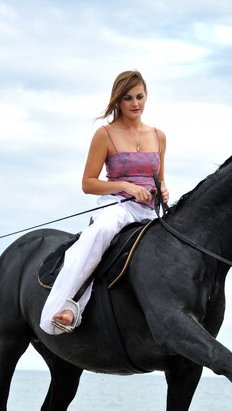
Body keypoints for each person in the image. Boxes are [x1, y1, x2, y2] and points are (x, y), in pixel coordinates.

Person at [40, 70, 169, 334]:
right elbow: (88, 183)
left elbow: (161, 179)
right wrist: (124, 185)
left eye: (140, 97)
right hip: (116, 206)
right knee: (100, 233)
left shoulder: (159, 136)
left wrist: (163, 190)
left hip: (148, 211)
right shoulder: (105, 134)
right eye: (128, 98)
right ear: (118, 101)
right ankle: (69, 306)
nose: (135, 104)